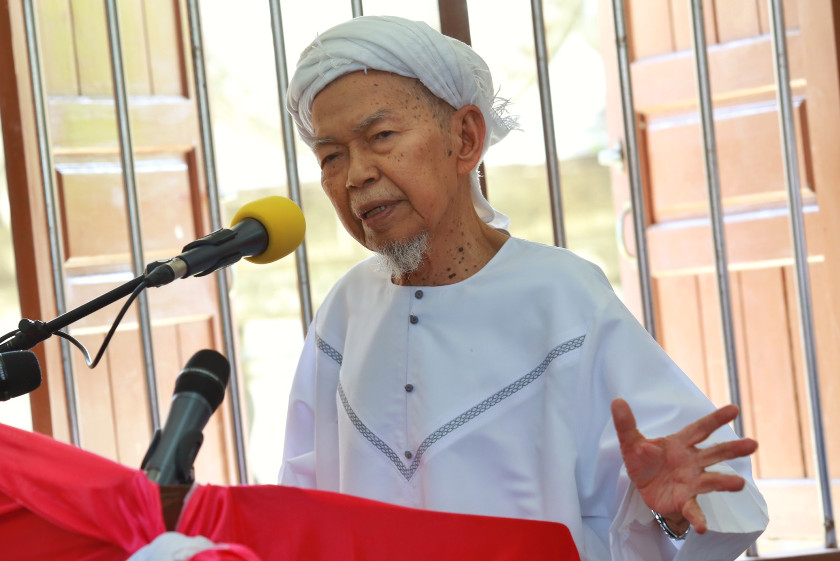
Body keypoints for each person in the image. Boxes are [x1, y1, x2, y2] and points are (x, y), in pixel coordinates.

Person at [279, 15, 768, 561]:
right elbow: (302, 504)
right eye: (331, 156)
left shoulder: (561, 296)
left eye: (381, 137)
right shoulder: (345, 311)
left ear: (465, 138)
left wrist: (667, 511)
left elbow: (696, 484)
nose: (355, 175)